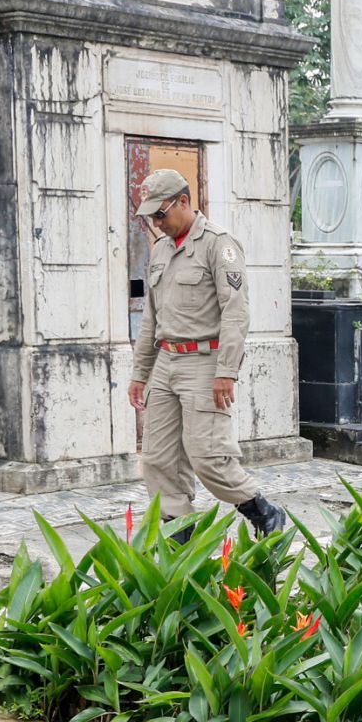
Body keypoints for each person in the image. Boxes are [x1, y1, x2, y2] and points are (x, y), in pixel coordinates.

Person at [128, 169, 287, 536]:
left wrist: (226, 371)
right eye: (151, 215)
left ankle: (264, 513)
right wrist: (140, 374)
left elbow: (236, 311)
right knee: (157, 458)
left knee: (209, 457)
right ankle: (178, 535)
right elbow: (151, 318)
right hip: (165, 363)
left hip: (205, 363)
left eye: (160, 213)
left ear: (183, 201)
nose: (156, 222)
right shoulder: (160, 250)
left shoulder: (219, 244)